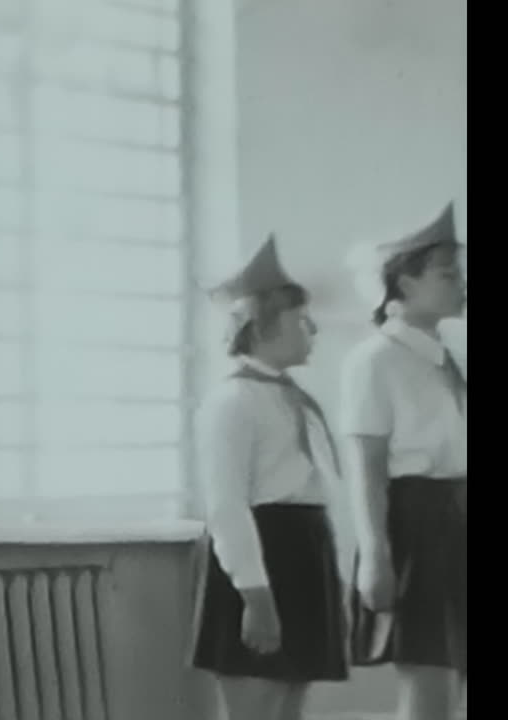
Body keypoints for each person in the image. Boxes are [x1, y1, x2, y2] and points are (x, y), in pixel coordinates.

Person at [188, 235, 349, 720]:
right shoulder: (232, 402)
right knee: (256, 706)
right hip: (262, 558)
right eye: (302, 321)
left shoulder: (294, 399)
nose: (313, 331)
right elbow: (227, 506)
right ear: (262, 326)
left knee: (290, 707)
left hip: (304, 554)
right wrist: (254, 596)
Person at [340, 203, 467, 720]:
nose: (461, 284)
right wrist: (375, 554)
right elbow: (366, 466)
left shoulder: (445, 353)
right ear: (404, 285)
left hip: (458, 516)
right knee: (429, 678)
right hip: (417, 525)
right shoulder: (374, 360)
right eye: (447, 275)